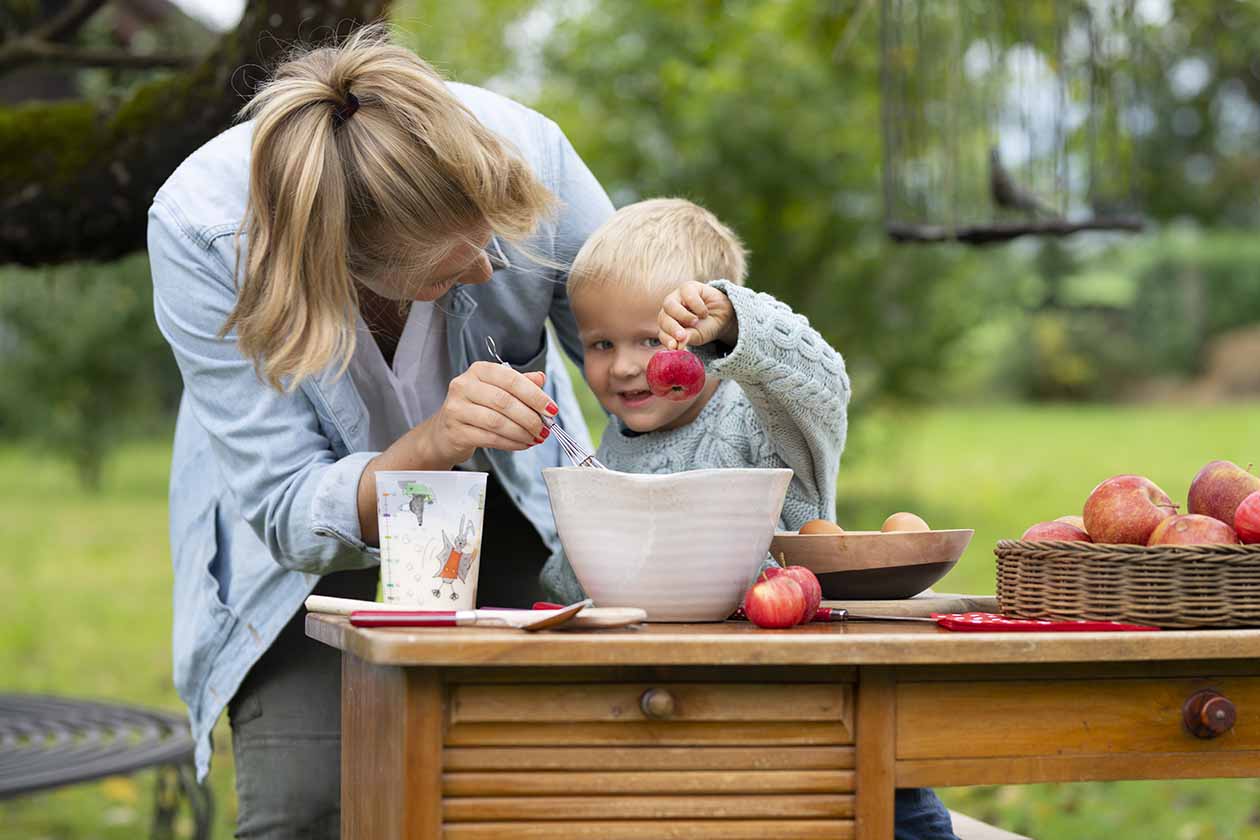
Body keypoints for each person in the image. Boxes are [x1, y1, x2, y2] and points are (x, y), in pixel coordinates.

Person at [146, 25, 612, 837]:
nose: (484, 270)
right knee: (313, 801)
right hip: (303, 550)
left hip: (506, 495)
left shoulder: (530, 154)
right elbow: (290, 506)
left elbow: (645, 334)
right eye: (444, 266)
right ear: (345, 259)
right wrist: (432, 445)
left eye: (490, 239)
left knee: (526, 781)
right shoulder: (202, 232)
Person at [540, 197, 958, 839]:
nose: (623, 366)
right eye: (600, 343)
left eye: (650, 341)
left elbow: (821, 381)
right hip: (690, 710)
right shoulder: (610, 443)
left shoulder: (758, 416)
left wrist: (738, 318)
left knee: (881, 797)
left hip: (808, 691)